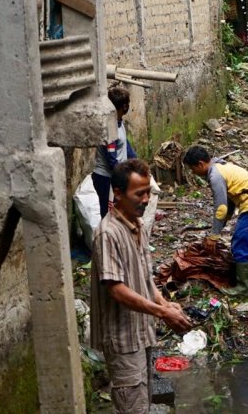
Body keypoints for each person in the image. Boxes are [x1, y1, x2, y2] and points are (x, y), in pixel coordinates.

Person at [91, 159, 192, 414]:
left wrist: (163, 302)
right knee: (132, 405)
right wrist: (161, 313)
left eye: (148, 191)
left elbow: (144, 278)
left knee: (142, 403)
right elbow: (116, 289)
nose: (146, 199)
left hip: (141, 332)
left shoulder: (139, 226)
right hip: (123, 338)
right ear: (118, 194)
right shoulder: (108, 234)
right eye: (139, 193)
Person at [183, 146, 248, 296]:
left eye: (193, 169)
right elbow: (230, 201)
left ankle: (242, 288)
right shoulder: (223, 166)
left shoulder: (215, 176)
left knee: (242, 246)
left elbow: (221, 207)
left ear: (200, 164)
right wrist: (222, 224)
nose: (194, 173)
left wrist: (214, 235)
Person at [92, 86, 138, 219]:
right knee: (109, 214)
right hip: (106, 178)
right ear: (124, 106)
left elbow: (126, 147)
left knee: (120, 212)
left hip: (115, 176)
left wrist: (137, 164)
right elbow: (112, 160)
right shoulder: (110, 128)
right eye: (128, 104)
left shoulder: (118, 122)